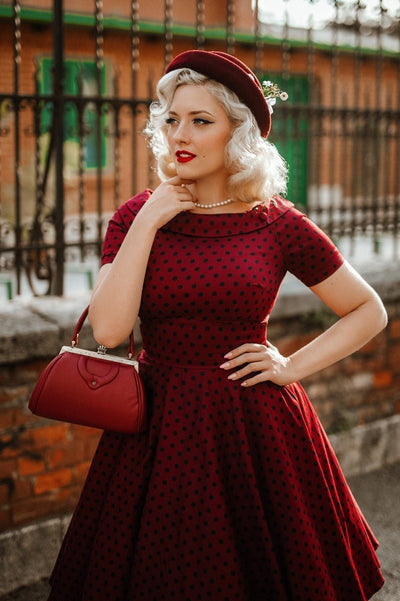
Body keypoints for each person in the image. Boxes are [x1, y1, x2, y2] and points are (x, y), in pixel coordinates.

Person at [48, 50, 386, 600]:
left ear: (239, 134)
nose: (180, 134)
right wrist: (154, 217)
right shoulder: (135, 216)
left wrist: (290, 365)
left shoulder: (277, 221)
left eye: (201, 121)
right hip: (156, 429)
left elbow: (369, 310)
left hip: (254, 426)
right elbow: (109, 331)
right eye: (172, 119)